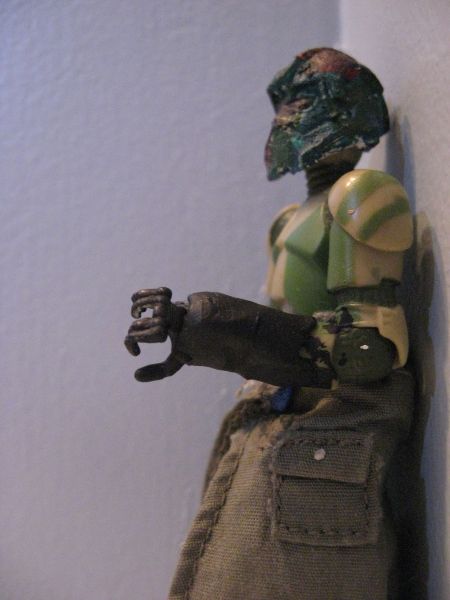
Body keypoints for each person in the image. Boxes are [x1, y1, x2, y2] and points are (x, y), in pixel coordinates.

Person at [125, 48, 414, 600]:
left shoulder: (360, 196)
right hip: (276, 419)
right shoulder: (289, 221)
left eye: (299, 104)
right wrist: (196, 331)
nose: (284, 121)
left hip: (327, 431)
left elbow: (369, 350)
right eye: (282, 107)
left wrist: (207, 327)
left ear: (340, 110)